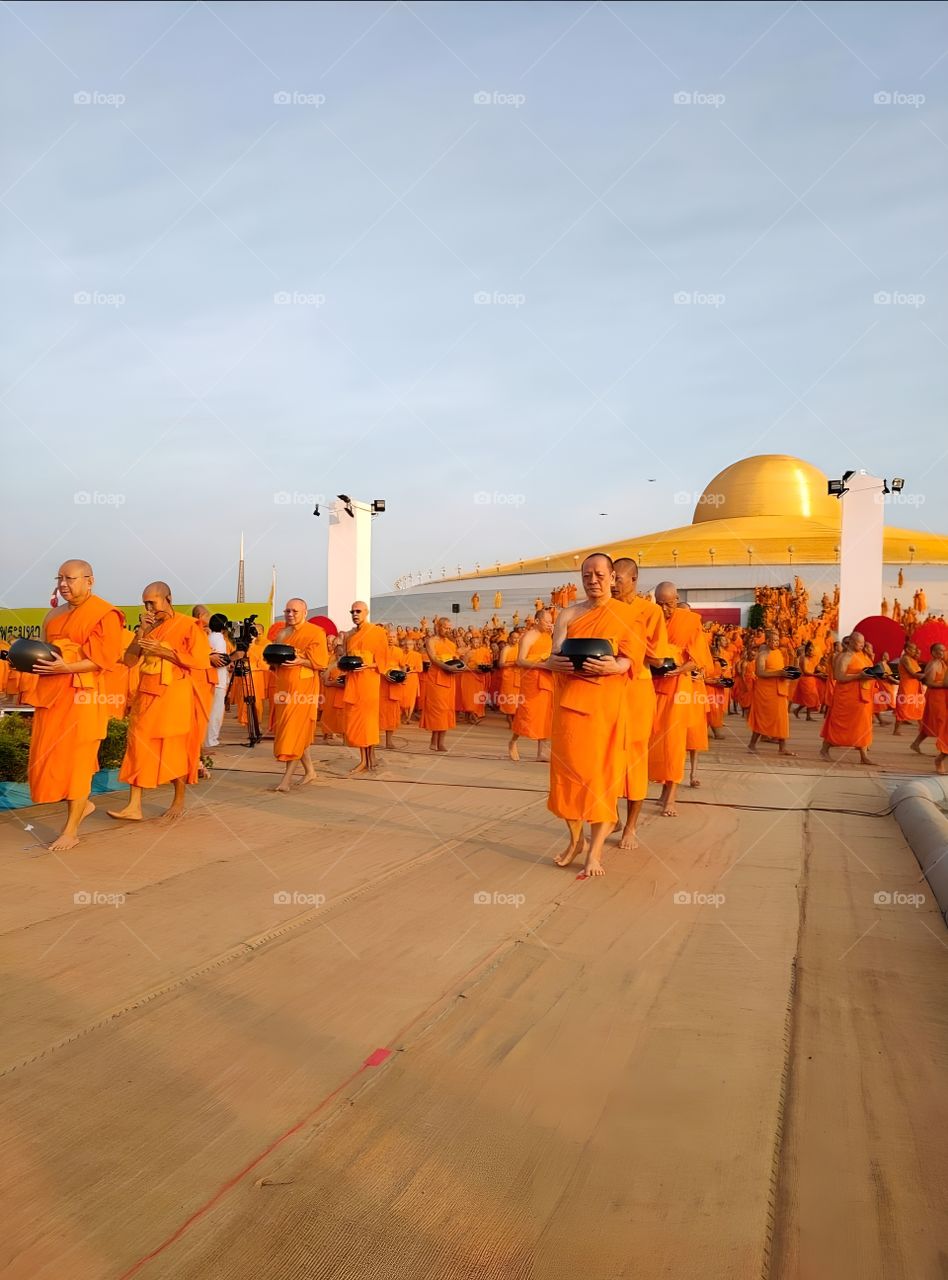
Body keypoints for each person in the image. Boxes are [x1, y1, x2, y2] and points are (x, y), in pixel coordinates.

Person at [544, 554, 645, 878]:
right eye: (587, 574)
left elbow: (632, 658)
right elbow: (555, 652)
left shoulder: (628, 614)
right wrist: (553, 662)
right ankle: (577, 840)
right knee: (568, 779)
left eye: (600, 574)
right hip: (571, 706)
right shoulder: (569, 613)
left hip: (605, 708)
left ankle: (595, 853)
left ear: (613, 577)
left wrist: (616, 665)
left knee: (600, 779)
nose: (593, 580)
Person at [17, 560, 125, 851]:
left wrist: (65, 667)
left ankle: (71, 830)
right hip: (52, 695)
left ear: (90, 580)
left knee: (77, 761)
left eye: (71, 578)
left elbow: (103, 659)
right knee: (50, 759)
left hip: (84, 697)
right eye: (60, 578)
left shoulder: (105, 614)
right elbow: (45, 653)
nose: (64, 583)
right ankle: (83, 803)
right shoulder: (53, 615)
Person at [109, 581, 211, 823]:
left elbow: (200, 660)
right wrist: (141, 633)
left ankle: (179, 798)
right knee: (137, 744)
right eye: (145, 603)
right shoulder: (149, 628)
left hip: (174, 694)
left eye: (152, 602)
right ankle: (134, 806)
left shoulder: (188, 626)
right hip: (146, 693)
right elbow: (130, 660)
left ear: (168, 598)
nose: (149, 608)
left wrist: (165, 651)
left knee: (172, 745)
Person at [612, 557, 667, 848]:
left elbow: (658, 658)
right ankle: (610, 815)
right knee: (606, 753)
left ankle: (630, 827)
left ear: (633, 579)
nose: (613, 585)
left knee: (634, 757)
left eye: (617, 579)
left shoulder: (650, 611)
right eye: (610, 579)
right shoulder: (604, 608)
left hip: (637, 688)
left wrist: (631, 644)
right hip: (607, 687)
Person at [648, 582, 699, 816]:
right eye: (660, 604)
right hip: (653, 686)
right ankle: (663, 791)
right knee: (654, 739)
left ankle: (672, 797)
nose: (665, 609)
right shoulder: (651, 618)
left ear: (677, 599)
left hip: (678, 687)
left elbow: (697, 659)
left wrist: (678, 670)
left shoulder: (690, 622)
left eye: (669, 604)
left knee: (674, 742)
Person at [269, 599, 328, 791]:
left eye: (294, 610)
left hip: (303, 688)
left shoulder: (314, 632)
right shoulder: (282, 633)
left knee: (293, 732)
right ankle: (310, 771)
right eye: (287, 610)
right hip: (284, 688)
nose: (290, 614)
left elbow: (320, 663)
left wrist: (299, 661)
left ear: (305, 612)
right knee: (295, 731)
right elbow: (276, 659)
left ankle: (286, 780)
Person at [662, 585, 714, 790]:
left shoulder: (695, 631)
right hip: (673, 687)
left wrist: (699, 672)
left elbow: (705, 663)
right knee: (674, 739)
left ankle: (692, 773)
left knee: (693, 737)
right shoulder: (665, 629)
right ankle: (670, 780)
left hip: (694, 692)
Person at [342, 601, 387, 774]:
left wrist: (367, 666)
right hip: (353, 682)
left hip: (369, 682)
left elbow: (382, 661)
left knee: (367, 721)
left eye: (358, 611)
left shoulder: (377, 632)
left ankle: (366, 760)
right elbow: (346, 658)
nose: (355, 614)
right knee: (357, 721)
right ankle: (366, 759)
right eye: (352, 611)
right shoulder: (349, 635)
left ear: (366, 612)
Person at [820, 633, 875, 765]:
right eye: (858, 643)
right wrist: (858, 676)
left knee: (863, 724)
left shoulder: (863, 656)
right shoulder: (844, 657)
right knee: (840, 724)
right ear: (850, 642)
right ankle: (824, 749)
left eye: (863, 643)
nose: (861, 645)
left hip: (863, 695)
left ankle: (863, 755)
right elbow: (839, 677)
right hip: (847, 696)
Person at [509, 609, 553, 762]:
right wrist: (542, 664)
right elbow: (520, 661)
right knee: (527, 714)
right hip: (531, 679)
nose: (550, 624)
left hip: (547, 679)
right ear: (536, 621)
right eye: (547, 621)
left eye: (551, 621)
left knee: (546, 714)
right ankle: (513, 741)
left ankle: (542, 752)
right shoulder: (528, 637)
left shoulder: (548, 636)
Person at [748, 629, 796, 756]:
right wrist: (778, 673)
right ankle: (752, 744)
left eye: (777, 640)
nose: (775, 642)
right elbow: (760, 672)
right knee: (763, 718)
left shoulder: (779, 653)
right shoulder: (763, 655)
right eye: (773, 640)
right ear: (767, 641)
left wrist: (786, 673)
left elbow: (780, 669)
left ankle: (782, 747)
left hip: (779, 689)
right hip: (765, 691)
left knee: (782, 718)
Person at [421, 617, 463, 751]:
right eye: (445, 627)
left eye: (450, 628)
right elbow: (433, 659)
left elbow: (455, 659)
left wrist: (459, 665)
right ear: (438, 627)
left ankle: (442, 742)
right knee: (436, 710)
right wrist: (446, 667)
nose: (448, 630)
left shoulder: (451, 644)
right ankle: (433, 741)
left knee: (447, 710)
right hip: (436, 679)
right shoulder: (431, 641)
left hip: (449, 679)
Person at [911, 644, 947, 756]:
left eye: (943, 650)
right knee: (942, 722)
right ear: (933, 652)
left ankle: (916, 744)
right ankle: (943, 750)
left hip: (942, 695)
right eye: (939, 650)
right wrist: (944, 685)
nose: (942, 652)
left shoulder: (942, 663)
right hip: (935, 696)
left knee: (931, 723)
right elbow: (929, 683)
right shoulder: (933, 665)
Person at [203, 613, 231, 752]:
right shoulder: (219, 639)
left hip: (211, 679)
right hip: (217, 680)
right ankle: (210, 742)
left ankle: (208, 740)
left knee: (210, 711)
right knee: (216, 713)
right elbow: (219, 660)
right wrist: (232, 659)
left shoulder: (209, 637)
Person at [792, 641, 821, 722]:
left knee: (810, 698)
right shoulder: (804, 658)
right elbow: (805, 671)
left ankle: (798, 711)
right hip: (806, 680)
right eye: (810, 650)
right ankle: (807, 716)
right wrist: (816, 675)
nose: (812, 652)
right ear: (806, 651)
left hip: (811, 680)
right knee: (809, 698)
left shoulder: (810, 658)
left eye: (812, 650)